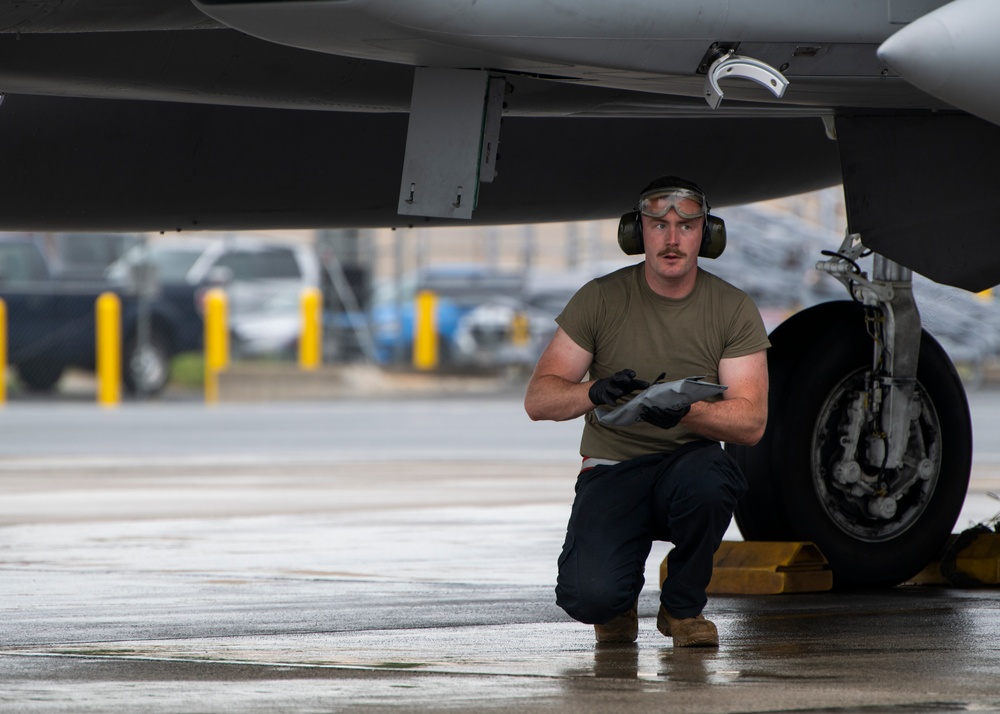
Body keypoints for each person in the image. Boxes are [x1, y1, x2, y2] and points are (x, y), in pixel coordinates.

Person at [523, 176, 770, 647]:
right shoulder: (600, 299)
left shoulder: (733, 308)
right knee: (590, 599)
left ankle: (681, 609)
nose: (672, 239)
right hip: (613, 468)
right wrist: (594, 392)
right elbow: (539, 400)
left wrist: (686, 414)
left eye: (686, 225)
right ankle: (618, 601)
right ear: (637, 233)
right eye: (658, 225)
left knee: (713, 480)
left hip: (688, 467)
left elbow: (751, 422)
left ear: (707, 234)